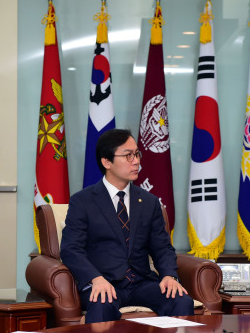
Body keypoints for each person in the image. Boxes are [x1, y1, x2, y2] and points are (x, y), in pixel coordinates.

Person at [60, 128, 194, 323]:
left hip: (142, 282)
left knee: (181, 300)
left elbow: (162, 247)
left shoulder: (149, 202)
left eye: (137, 154)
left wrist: (169, 275)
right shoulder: (83, 201)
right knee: (101, 306)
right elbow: (71, 249)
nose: (136, 161)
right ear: (107, 162)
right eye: (128, 155)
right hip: (104, 282)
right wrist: (95, 279)